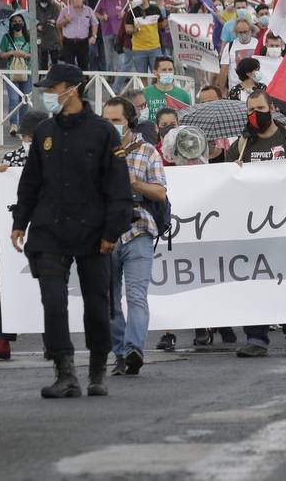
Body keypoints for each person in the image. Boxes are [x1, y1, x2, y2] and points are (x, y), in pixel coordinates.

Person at [12, 62, 131, 398]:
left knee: (96, 304)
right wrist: (20, 222)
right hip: (50, 230)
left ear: (72, 88)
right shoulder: (46, 133)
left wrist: (112, 231)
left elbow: (118, 187)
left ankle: (97, 370)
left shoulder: (104, 132)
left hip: (93, 231)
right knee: (52, 300)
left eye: (53, 88)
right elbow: (30, 181)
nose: (49, 95)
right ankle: (65, 372)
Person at [232, 89, 286, 358]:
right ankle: (257, 339)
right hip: (253, 225)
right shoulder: (243, 142)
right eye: (250, 111)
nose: (255, 116)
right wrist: (234, 167)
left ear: (272, 108)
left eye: (260, 110)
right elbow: (223, 177)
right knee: (255, 282)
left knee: (284, 282)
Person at [100, 97, 168, 377]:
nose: (110, 126)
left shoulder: (147, 151)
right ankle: (119, 354)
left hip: (138, 230)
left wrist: (135, 183)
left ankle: (134, 349)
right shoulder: (94, 152)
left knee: (136, 295)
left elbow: (160, 192)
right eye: (106, 120)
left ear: (129, 121)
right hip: (105, 233)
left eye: (115, 120)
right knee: (109, 299)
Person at [0, 109, 48, 360]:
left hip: (47, 234)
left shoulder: (56, 157)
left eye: (32, 136)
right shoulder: (12, 157)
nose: (28, 140)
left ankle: (50, 341)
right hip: (14, 235)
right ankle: (2, 340)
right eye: (26, 136)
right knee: (9, 287)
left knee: (48, 287)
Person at [0, 12, 33, 136]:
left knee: (25, 100)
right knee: (13, 99)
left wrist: (25, 55)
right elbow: (1, 54)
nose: (17, 23)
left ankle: (23, 125)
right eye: (14, 22)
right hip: (11, 72)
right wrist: (12, 53)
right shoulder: (6, 38)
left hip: (27, 72)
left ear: (23, 23)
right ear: (11, 24)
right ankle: (14, 124)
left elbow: (34, 55)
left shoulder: (29, 38)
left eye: (19, 21)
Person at [58, 0, 99, 71]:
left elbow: (95, 23)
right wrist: (66, 20)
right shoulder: (65, 10)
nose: (78, 0)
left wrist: (94, 36)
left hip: (83, 42)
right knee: (69, 66)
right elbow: (58, 24)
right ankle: (71, 83)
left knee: (84, 65)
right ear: (71, 0)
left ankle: (84, 83)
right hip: (69, 42)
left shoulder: (88, 10)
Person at [142, 55, 193, 120]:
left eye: (170, 69)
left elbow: (188, 119)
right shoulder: (145, 93)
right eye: (164, 70)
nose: (167, 72)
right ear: (155, 72)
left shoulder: (184, 95)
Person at [218, 17, 260, 94]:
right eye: (240, 32)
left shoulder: (258, 44)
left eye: (245, 32)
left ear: (251, 30)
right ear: (236, 32)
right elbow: (224, 70)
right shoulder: (230, 46)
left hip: (256, 90)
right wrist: (222, 91)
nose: (243, 34)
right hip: (236, 91)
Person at [34, 0, 62, 70]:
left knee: (54, 58)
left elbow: (56, 19)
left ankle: (55, 73)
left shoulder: (54, 6)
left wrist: (52, 21)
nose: (44, 4)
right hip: (41, 36)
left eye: (45, 2)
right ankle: (43, 75)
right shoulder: (36, 8)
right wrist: (38, 26)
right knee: (43, 59)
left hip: (52, 35)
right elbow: (33, 20)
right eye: (42, 2)